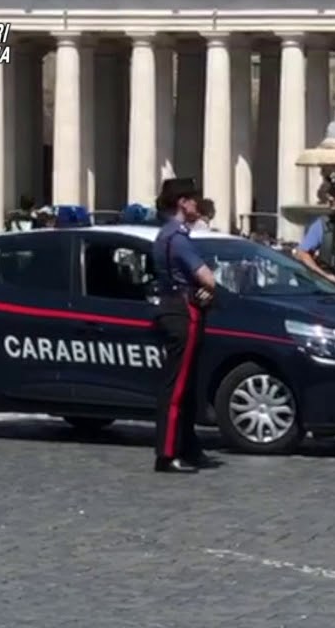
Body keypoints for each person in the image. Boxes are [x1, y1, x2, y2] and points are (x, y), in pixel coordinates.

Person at [150, 177, 220, 474]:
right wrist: (208, 287)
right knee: (177, 387)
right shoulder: (178, 238)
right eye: (192, 199)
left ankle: (188, 446)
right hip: (183, 311)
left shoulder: (164, 235)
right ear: (182, 203)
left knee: (187, 385)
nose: (196, 204)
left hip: (171, 306)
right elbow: (208, 278)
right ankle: (167, 453)